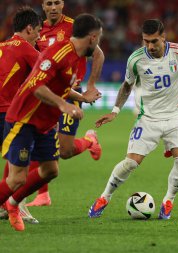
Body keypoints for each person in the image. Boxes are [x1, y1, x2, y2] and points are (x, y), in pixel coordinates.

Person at [88, 19, 178, 219]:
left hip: (175, 116)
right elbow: (126, 86)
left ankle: (168, 201)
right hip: (147, 118)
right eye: (145, 41)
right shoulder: (136, 59)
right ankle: (104, 197)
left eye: (154, 41)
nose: (150, 46)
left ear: (164, 37)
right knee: (131, 163)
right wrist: (115, 111)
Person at [0, 13, 102, 232]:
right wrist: (63, 105)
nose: (99, 44)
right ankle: (9, 203)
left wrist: (82, 98)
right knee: (17, 178)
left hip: (44, 124)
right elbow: (37, 86)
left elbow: (61, 87)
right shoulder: (58, 52)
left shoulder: (77, 56)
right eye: (99, 39)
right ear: (93, 37)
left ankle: (12, 203)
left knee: (50, 170)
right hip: (24, 119)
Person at [25, 0, 105, 207]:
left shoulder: (74, 26)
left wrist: (91, 86)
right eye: (49, 3)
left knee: (65, 151)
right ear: (43, 6)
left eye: (57, 3)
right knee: (38, 142)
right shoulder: (36, 30)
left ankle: (89, 141)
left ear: (62, 5)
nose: (53, 7)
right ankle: (43, 195)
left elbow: (99, 54)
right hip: (45, 95)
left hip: (70, 94)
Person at [0, 6, 42, 224]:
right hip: (7, 112)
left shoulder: (2, 45)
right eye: (37, 30)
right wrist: (78, 96)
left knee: (12, 161)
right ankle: (16, 207)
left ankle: (7, 206)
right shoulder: (26, 49)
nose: (39, 35)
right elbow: (48, 72)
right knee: (20, 166)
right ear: (28, 28)